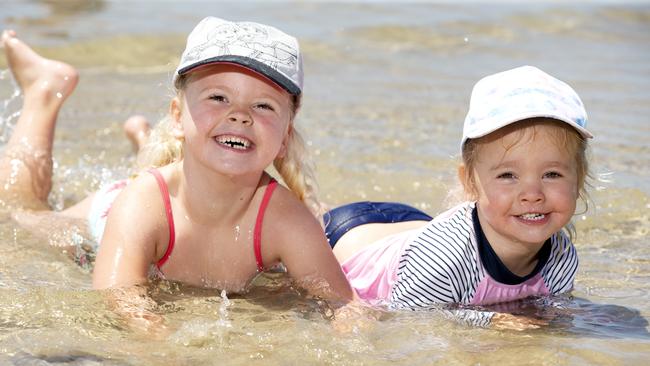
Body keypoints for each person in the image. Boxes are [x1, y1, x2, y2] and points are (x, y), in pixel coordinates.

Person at [0, 17, 353, 304]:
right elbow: (118, 299)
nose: (240, 115)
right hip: (110, 219)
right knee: (19, 210)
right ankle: (44, 92)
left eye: (263, 106)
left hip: (171, 185)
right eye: (218, 96)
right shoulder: (141, 203)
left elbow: (344, 306)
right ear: (176, 117)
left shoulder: (286, 218)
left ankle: (142, 140)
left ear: (284, 138)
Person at [326, 66, 592, 321]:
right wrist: (492, 321)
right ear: (470, 182)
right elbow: (408, 318)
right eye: (508, 175)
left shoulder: (561, 256)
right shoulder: (444, 261)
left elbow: (551, 316)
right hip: (350, 238)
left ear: (578, 179)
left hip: (414, 227)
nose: (532, 194)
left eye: (552, 174)